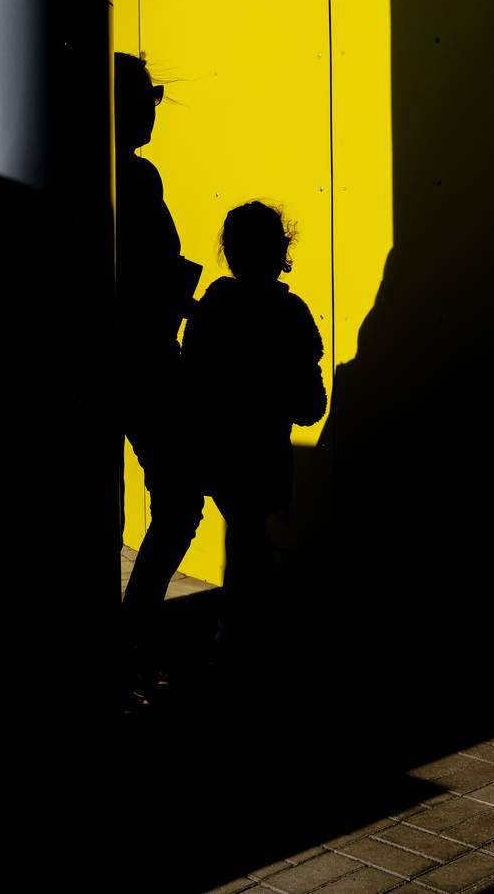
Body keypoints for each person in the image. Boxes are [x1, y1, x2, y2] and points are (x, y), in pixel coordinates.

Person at [181, 201, 327, 651]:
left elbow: (191, 383)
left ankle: (236, 636)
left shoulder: (214, 307)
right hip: (268, 455)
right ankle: (246, 638)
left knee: (245, 543)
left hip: (221, 454)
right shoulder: (292, 314)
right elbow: (310, 406)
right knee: (253, 546)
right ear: (282, 250)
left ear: (229, 251)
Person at [115, 53, 203, 691]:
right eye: (150, 94)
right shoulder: (137, 178)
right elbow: (150, 272)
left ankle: (121, 638)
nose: (155, 107)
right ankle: (130, 632)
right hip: (143, 361)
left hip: (127, 360)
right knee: (179, 498)